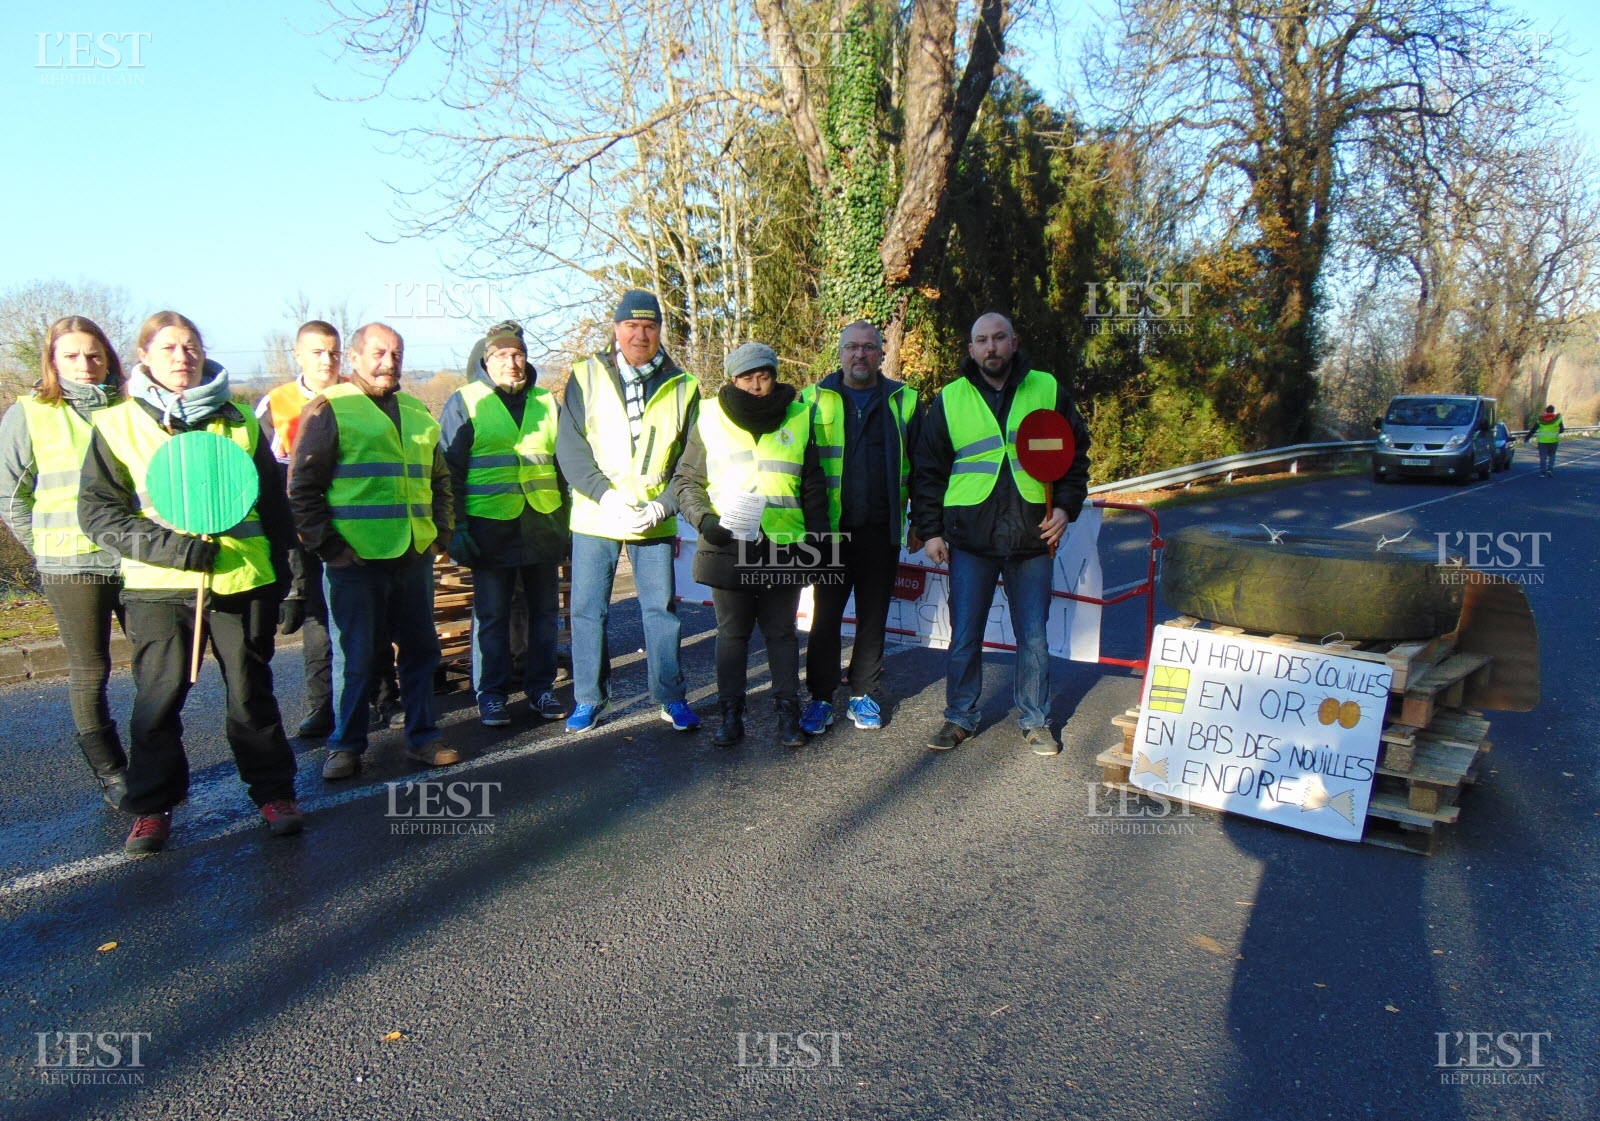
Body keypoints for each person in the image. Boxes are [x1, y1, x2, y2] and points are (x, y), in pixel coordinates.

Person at [78, 311, 303, 855]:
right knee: (159, 699)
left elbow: (275, 512)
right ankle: (152, 806)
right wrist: (175, 549)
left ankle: (274, 794)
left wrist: (292, 582)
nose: (183, 356)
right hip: (159, 587)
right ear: (146, 357)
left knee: (251, 696)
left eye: (191, 346)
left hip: (242, 581)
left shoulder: (240, 422)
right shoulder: (116, 424)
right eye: (170, 348)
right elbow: (99, 514)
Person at [910, 312, 1090, 756]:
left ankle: (1035, 721)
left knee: (1033, 637)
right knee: (965, 635)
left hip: (1033, 537)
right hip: (971, 539)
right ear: (971, 349)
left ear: (1013, 342)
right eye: (981, 341)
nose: (990, 348)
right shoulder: (951, 399)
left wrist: (1066, 507)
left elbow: (1075, 455)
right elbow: (928, 470)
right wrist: (929, 530)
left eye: (998, 338)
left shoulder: (1047, 390)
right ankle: (960, 718)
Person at [288, 322, 459, 780]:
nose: (389, 362)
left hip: (412, 557)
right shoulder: (330, 409)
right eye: (379, 353)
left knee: (422, 653)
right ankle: (345, 745)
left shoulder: (418, 411)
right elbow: (303, 489)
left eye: (396, 354)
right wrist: (330, 549)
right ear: (357, 359)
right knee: (358, 658)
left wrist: (440, 535)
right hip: (355, 563)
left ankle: (424, 738)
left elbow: (439, 480)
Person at [556, 289, 699, 733]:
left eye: (650, 326)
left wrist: (663, 506)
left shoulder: (684, 385)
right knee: (587, 610)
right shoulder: (585, 375)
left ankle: (670, 698)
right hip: (597, 514)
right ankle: (588, 698)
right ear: (616, 329)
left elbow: (691, 461)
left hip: (653, 516)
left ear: (660, 332)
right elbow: (570, 448)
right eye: (632, 326)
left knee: (660, 610)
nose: (641, 334)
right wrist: (606, 495)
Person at [672, 343, 830, 748]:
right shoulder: (708, 415)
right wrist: (705, 521)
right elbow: (686, 482)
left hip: (785, 545)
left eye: (764, 376)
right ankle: (730, 717)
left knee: (780, 633)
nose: (757, 386)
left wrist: (818, 544)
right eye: (747, 378)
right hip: (726, 543)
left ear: (775, 375)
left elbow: (813, 488)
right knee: (732, 635)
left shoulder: (799, 415)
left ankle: (787, 716)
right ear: (732, 379)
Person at [0, 317, 129, 804]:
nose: (86, 366)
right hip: (70, 564)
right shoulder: (30, 412)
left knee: (161, 665)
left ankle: (158, 761)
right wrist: (44, 549)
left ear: (109, 358)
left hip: (136, 560)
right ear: (52, 362)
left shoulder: (129, 407)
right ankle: (113, 772)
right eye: (71, 356)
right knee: (90, 670)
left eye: (94, 355)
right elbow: (11, 496)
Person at [439, 322, 570, 726]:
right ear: (486, 361)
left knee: (544, 614)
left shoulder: (548, 402)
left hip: (542, 526)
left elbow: (564, 469)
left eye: (518, 355)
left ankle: (541, 689)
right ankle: (491, 695)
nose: (511, 363)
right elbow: (448, 473)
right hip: (489, 529)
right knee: (492, 616)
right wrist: (456, 528)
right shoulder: (465, 402)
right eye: (501, 356)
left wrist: (568, 525)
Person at [797, 320, 923, 736]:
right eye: (852, 347)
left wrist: (920, 521)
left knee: (873, 618)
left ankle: (863, 694)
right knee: (825, 618)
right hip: (829, 532)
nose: (860, 355)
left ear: (881, 353)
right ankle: (819, 697)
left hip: (879, 530)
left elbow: (923, 470)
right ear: (840, 352)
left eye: (868, 348)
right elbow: (797, 466)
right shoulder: (812, 399)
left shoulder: (904, 401)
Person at [255, 320, 342, 738]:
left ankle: (382, 698)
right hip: (301, 526)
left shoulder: (355, 396)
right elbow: (263, 476)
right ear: (298, 355)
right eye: (317, 352)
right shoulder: (275, 403)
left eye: (333, 352)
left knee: (367, 611)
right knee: (317, 616)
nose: (327, 361)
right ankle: (321, 706)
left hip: (352, 521)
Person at [1524, 405, 1564, 477]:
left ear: (1546, 411)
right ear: (1553, 411)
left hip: (1542, 441)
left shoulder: (1540, 419)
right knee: (1552, 456)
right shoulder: (1557, 419)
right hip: (1553, 441)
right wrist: (1557, 433)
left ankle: (1543, 472)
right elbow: (1562, 429)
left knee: (1543, 457)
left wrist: (1527, 438)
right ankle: (1550, 470)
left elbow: (1533, 429)